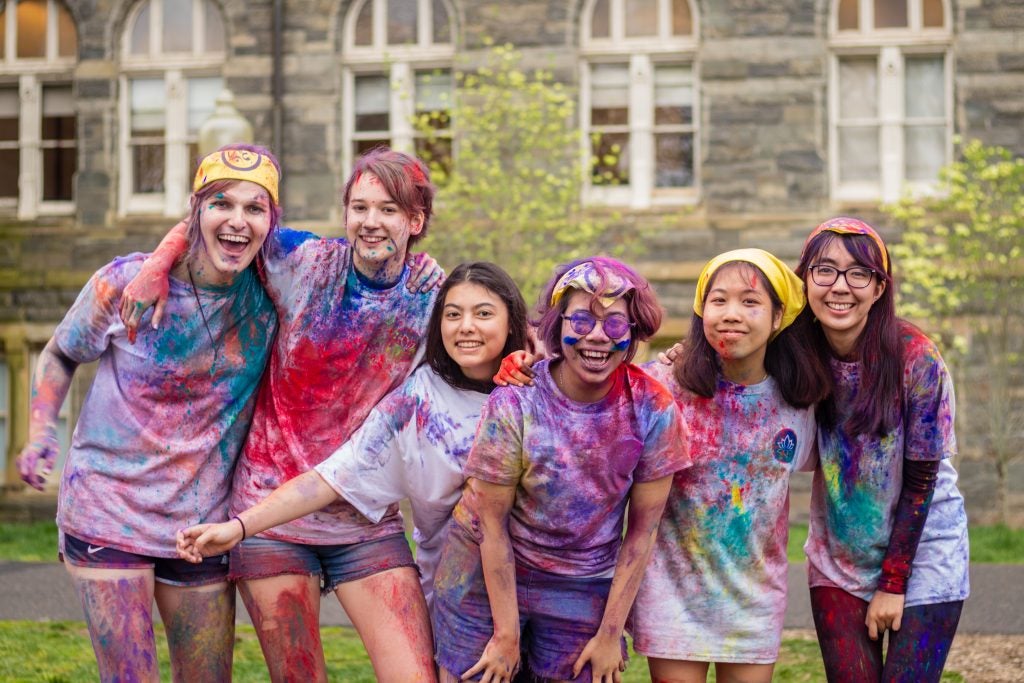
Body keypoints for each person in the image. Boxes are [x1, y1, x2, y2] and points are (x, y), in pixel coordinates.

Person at [119, 148, 443, 681]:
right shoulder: (304, 260)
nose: (370, 222)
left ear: (415, 220)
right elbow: (217, 221)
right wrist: (156, 265)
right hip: (269, 513)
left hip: (364, 516)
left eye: (388, 210)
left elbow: (490, 333)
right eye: (359, 207)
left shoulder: (432, 296)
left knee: (415, 675)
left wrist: (520, 359)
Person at [16, 144, 280, 682]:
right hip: (107, 511)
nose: (237, 220)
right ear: (195, 211)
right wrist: (39, 431)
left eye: (255, 208)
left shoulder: (273, 294)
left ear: (272, 222)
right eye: (221, 203)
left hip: (200, 526)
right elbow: (62, 352)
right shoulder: (123, 284)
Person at [175, 261, 530, 611]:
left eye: (483, 314)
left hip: (543, 592)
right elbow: (329, 479)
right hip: (458, 603)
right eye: (453, 315)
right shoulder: (417, 402)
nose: (466, 327)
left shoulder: (540, 388)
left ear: (511, 320)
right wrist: (238, 528)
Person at [432, 257, 690, 683]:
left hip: (580, 581)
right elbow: (489, 524)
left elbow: (642, 533)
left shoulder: (653, 409)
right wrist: (506, 635)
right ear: (558, 324)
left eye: (614, 325)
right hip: (483, 573)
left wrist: (609, 635)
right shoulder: (517, 399)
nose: (596, 337)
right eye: (582, 320)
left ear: (633, 332)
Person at [629, 249, 829, 682]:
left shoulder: (798, 401)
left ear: (778, 316)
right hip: (673, 593)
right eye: (718, 301)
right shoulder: (664, 386)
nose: (731, 314)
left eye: (750, 302)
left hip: (754, 599)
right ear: (702, 312)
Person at [797, 217, 969, 682]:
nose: (840, 286)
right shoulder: (795, 352)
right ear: (806, 278)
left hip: (926, 552)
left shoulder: (916, 358)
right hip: (840, 559)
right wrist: (677, 357)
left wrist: (894, 584)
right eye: (825, 270)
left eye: (860, 274)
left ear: (879, 288)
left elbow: (921, 483)